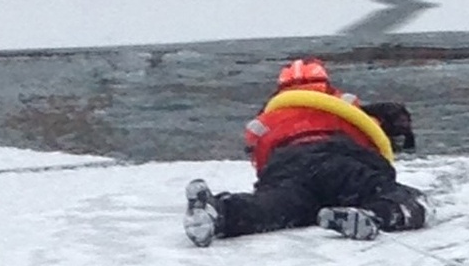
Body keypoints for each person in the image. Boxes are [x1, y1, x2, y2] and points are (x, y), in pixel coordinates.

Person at [183, 57, 428, 247]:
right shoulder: (344, 104)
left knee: (270, 207)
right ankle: (374, 215)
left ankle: (219, 212)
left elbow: (258, 158)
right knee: (404, 198)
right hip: (340, 159)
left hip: (288, 166)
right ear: (325, 83)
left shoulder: (267, 117)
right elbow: (377, 133)